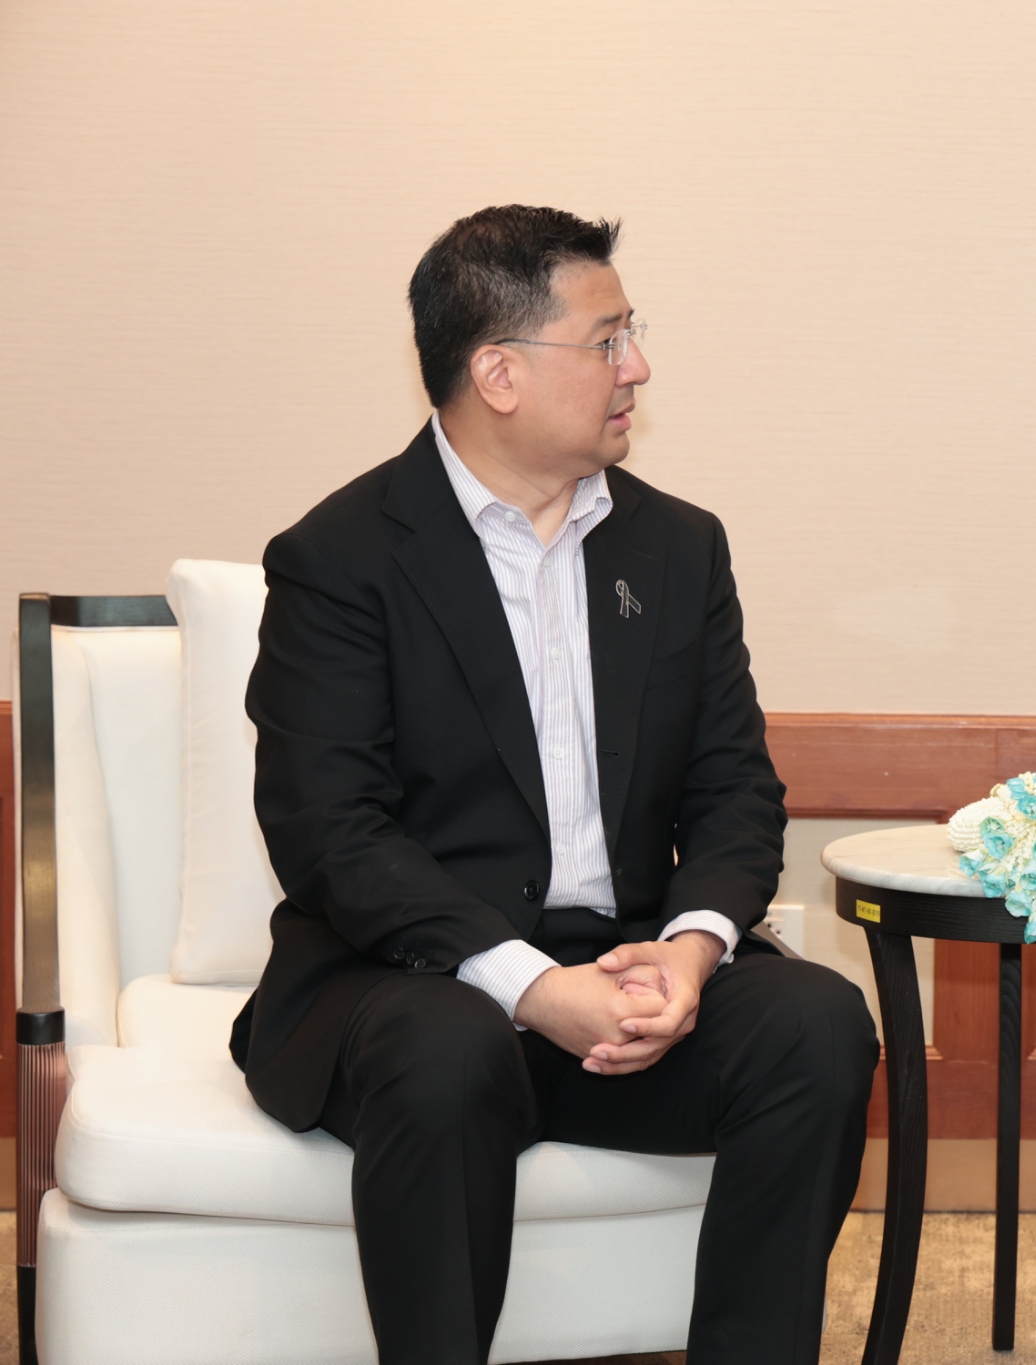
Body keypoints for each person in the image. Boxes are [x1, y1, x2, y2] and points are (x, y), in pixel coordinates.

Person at [229, 205, 878, 1365]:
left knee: (815, 1026)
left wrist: (690, 952)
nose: (637, 368)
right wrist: (529, 986)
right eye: (606, 340)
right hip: (417, 983)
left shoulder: (676, 548)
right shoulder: (340, 560)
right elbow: (331, 834)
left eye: (633, 334)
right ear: (499, 374)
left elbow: (733, 791)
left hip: (623, 972)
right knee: (448, 1052)